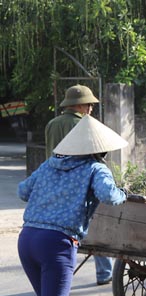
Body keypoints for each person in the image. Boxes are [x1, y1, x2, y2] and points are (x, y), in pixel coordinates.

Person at [18, 115, 128, 296]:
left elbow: (21, 192)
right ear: (100, 150)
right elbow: (109, 196)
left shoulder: (49, 164)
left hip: (27, 239)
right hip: (56, 244)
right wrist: (123, 193)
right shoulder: (95, 168)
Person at [45, 84, 115, 285]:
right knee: (95, 226)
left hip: (56, 181)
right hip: (80, 182)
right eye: (89, 105)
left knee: (59, 229)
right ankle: (104, 273)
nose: (91, 109)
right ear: (81, 106)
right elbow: (96, 154)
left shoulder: (52, 124)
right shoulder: (85, 124)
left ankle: (56, 273)